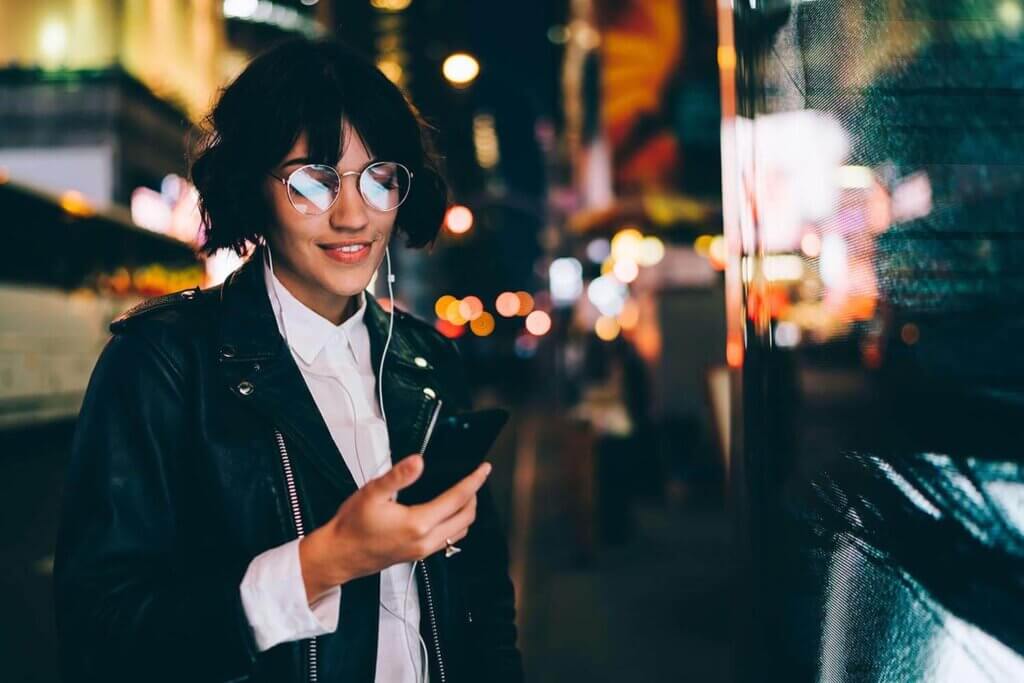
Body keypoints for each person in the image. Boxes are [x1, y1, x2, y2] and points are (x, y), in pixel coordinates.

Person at [53, 38, 522, 683]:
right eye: (313, 182)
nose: (354, 215)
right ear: (253, 187)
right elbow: (99, 631)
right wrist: (320, 564)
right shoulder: (163, 362)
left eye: (380, 178)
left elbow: (483, 602)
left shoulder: (425, 360)